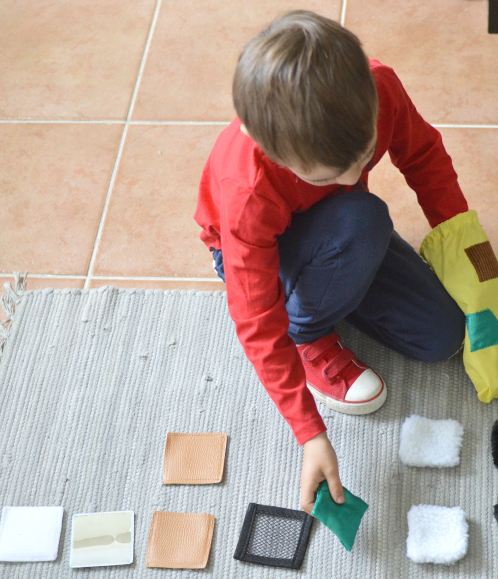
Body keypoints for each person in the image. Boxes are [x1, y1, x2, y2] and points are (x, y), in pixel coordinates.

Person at [195, 10, 467, 515]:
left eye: (363, 157)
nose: (349, 176)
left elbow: (425, 157)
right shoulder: (247, 188)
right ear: (274, 153)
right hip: (269, 253)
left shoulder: (379, 87)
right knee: (363, 215)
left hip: (344, 230)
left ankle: (336, 279)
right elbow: (254, 318)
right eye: (326, 176)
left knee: (444, 337)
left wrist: (473, 258)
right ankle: (307, 329)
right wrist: (309, 433)